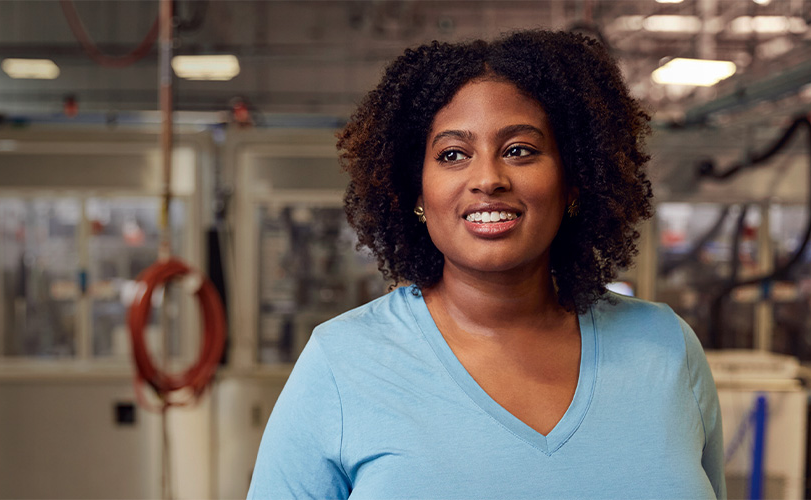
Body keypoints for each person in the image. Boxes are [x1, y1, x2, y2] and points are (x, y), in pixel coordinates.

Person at [248, 30, 725, 499]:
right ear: (417, 192)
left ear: (574, 180)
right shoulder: (343, 362)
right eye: (453, 154)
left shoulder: (666, 348)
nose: (488, 179)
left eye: (520, 150)